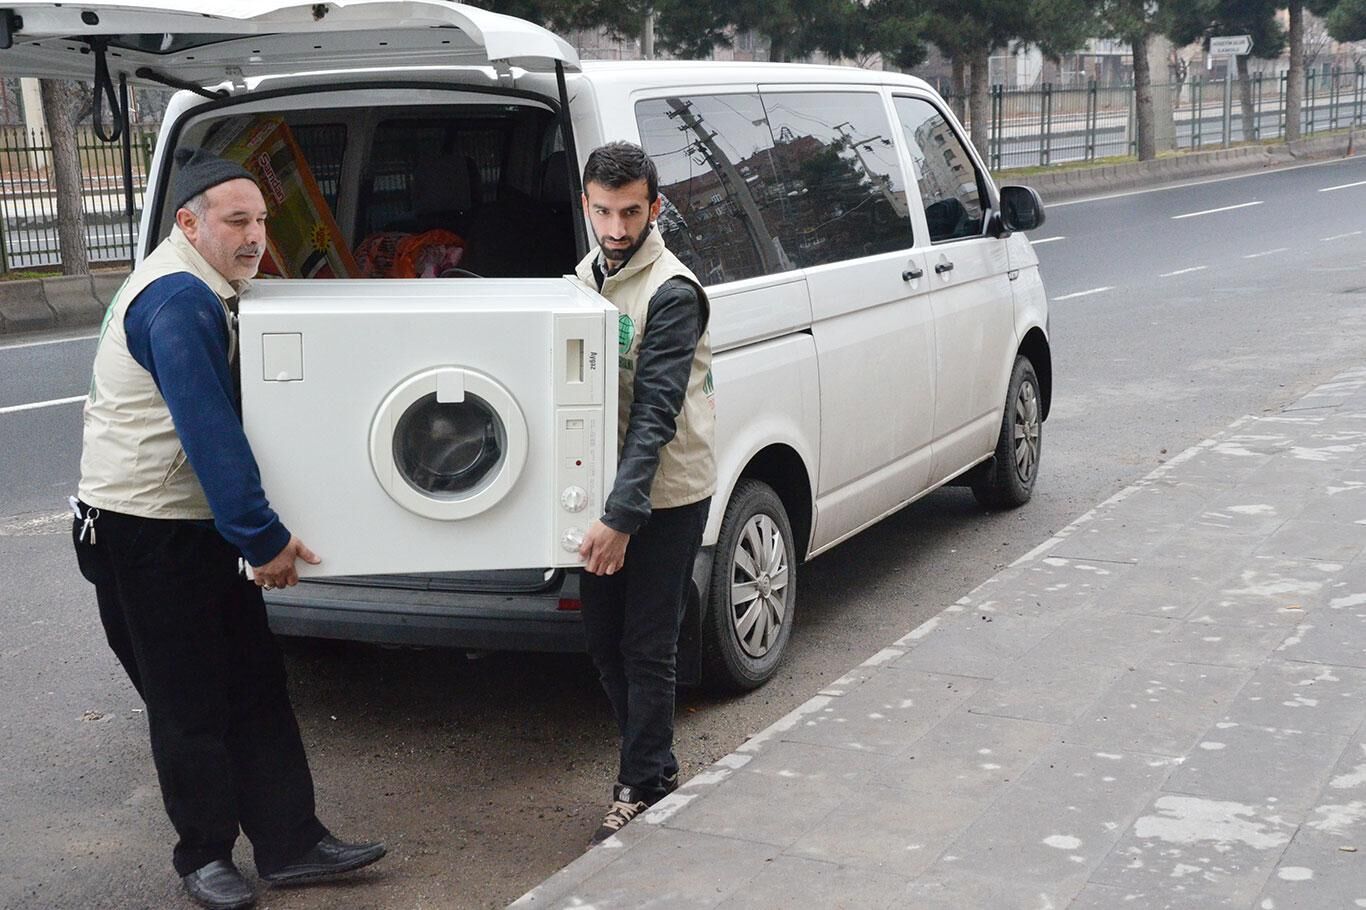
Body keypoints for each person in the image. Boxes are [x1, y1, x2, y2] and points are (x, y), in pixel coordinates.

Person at [70, 147, 385, 910]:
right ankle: (204, 856)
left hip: (192, 525)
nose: (255, 237)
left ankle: (290, 842)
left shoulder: (213, 284)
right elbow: (210, 430)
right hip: (145, 532)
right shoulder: (178, 301)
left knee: (254, 685)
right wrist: (262, 537)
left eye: (261, 220)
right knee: (188, 702)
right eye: (237, 221)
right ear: (189, 223)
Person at [573, 141, 716, 847]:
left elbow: (656, 412)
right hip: (610, 495)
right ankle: (655, 766)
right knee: (604, 640)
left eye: (631, 212)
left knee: (646, 644)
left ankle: (638, 784)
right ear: (586, 205)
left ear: (654, 207)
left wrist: (622, 518)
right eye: (604, 211)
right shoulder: (584, 276)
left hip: (667, 493)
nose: (617, 228)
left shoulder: (673, 291)